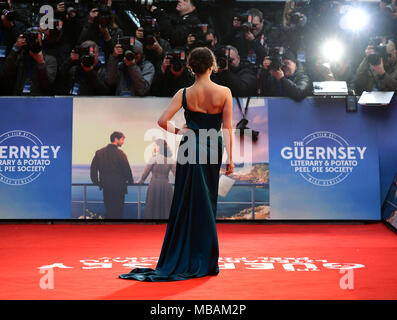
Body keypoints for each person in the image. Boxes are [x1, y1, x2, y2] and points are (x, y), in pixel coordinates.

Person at [119, 47, 234, 282]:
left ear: (191, 67)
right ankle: (206, 259)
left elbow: (162, 121)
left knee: (187, 200)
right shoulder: (224, 92)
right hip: (214, 146)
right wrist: (231, 158)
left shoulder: (184, 93)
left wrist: (182, 131)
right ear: (213, 66)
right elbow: (227, 128)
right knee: (207, 200)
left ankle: (184, 253)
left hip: (189, 145)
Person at [90, 131, 134, 220]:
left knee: (109, 209)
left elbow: (93, 170)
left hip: (106, 186)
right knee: (118, 211)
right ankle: (117, 230)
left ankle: (108, 230)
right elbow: (127, 170)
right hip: (119, 187)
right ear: (116, 139)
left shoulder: (99, 153)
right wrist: (131, 182)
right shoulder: (121, 154)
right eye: (122, 140)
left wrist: (97, 182)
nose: (123, 142)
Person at [138, 139, 176, 219]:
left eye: (155, 145)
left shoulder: (153, 158)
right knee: (166, 207)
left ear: (159, 146)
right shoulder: (170, 159)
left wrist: (141, 180)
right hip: (166, 185)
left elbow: (146, 172)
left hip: (154, 185)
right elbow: (177, 174)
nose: (154, 147)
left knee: (153, 206)